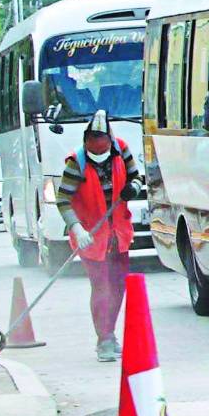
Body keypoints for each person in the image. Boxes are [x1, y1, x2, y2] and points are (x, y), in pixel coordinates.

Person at [55, 110, 144, 362]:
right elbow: (63, 199)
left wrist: (132, 189)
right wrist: (76, 228)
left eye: (102, 148)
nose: (98, 154)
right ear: (86, 142)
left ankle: (109, 334)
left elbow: (137, 178)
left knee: (118, 286)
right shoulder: (76, 163)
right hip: (91, 237)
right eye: (93, 149)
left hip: (118, 234)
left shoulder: (122, 150)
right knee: (101, 286)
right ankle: (104, 339)